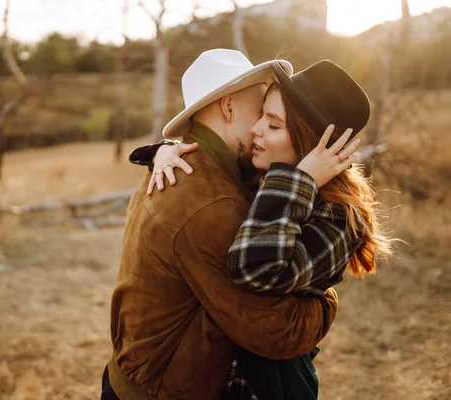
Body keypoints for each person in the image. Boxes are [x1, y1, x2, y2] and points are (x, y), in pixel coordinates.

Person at [128, 59, 394, 399]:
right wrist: (165, 151)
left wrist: (303, 179)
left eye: (273, 124)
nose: (256, 129)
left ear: (308, 141)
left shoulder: (339, 217)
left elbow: (256, 268)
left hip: (274, 386)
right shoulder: (262, 175)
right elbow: (207, 162)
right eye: (261, 116)